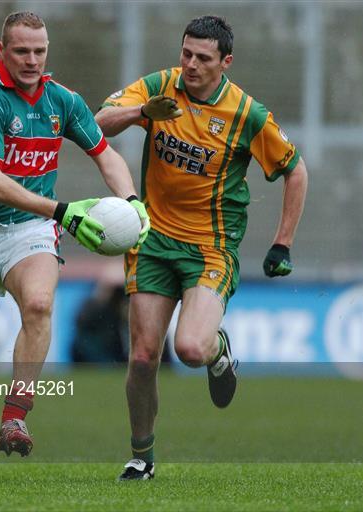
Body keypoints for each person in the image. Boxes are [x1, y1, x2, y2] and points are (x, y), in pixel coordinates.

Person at [95, 15, 308, 480]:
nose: (190, 64)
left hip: (210, 248)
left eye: (203, 58)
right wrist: (141, 113)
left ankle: (218, 352)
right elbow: (100, 123)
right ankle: (141, 457)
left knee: (189, 348)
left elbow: (295, 169)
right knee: (143, 357)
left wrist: (282, 242)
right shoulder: (160, 86)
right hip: (152, 241)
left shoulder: (247, 114)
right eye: (186, 53)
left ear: (225, 62)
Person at [0, 11, 149, 457]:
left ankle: (14, 416)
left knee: (38, 304)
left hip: (32, 231)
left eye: (39, 51)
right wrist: (62, 209)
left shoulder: (63, 101)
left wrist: (132, 201)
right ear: (1, 50)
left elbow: (105, 155)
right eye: (21, 51)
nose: (31, 60)